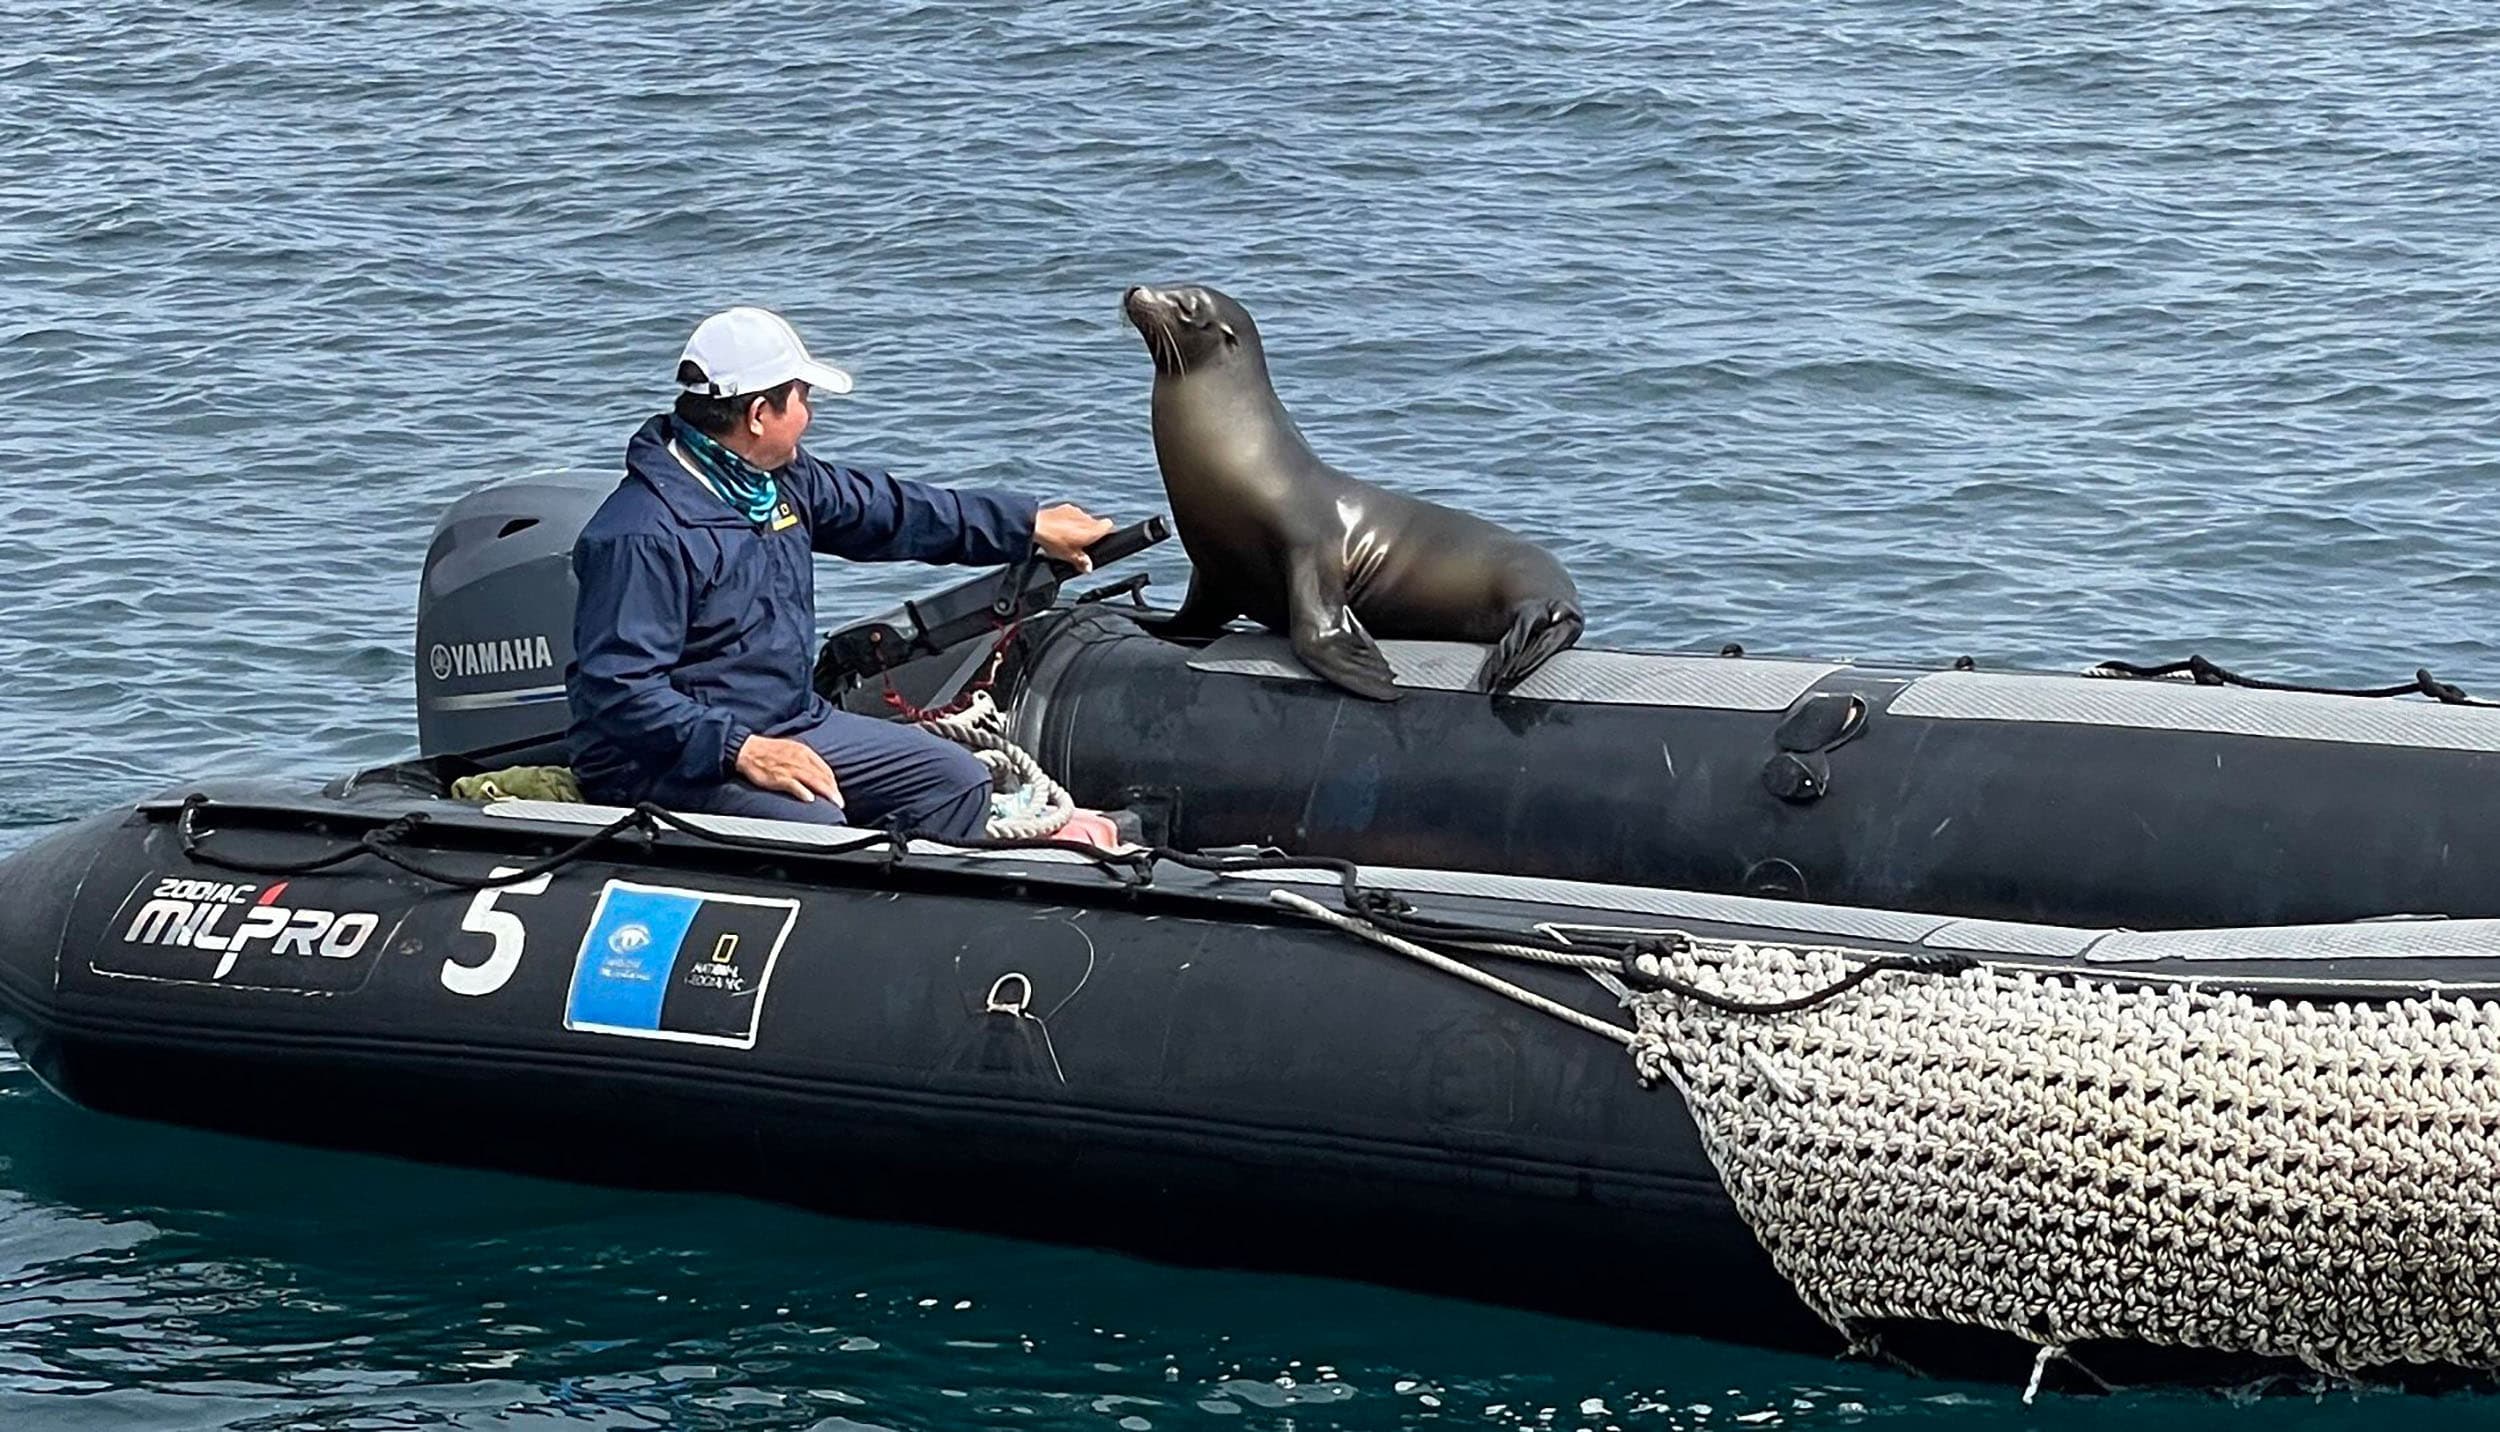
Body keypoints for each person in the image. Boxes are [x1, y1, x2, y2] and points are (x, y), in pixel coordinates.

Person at [566, 306, 1115, 839]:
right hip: (663, 761)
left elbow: (889, 511)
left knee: (955, 782)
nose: (809, 412)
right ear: (759, 415)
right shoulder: (640, 534)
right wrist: (742, 749)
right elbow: (619, 692)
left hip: (787, 721)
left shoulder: (777, 480)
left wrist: (1023, 525)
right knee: (819, 831)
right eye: (802, 398)